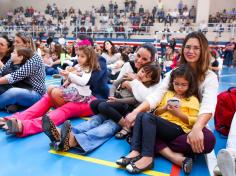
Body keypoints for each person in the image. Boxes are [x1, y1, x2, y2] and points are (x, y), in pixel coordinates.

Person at [124, 31, 218, 173]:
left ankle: (153, 146)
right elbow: (156, 96)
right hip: (168, 123)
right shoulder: (175, 72)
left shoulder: (209, 77)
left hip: (190, 125)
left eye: (196, 48)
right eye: (187, 47)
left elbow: (208, 106)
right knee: (140, 120)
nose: (190, 51)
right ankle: (173, 156)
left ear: (203, 50)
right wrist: (135, 112)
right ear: (182, 48)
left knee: (208, 139)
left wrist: (198, 128)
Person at [0, 37, 105, 137]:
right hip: (72, 94)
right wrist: (67, 76)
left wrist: (71, 74)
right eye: (76, 44)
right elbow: (66, 82)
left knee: (65, 109)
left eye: (79, 44)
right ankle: (14, 118)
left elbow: (89, 81)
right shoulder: (78, 61)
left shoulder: (97, 62)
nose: (76, 46)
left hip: (87, 99)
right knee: (48, 96)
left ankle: (24, 126)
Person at [116, 64, 199, 174]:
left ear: (189, 85)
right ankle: (135, 151)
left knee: (147, 117)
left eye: (183, 85)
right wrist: (165, 108)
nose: (179, 87)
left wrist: (178, 114)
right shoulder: (168, 94)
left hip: (178, 129)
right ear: (172, 83)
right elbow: (157, 112)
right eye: (176, 84)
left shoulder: (192, 99)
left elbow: (194, 121)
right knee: (141, 115)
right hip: (163, 125)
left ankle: (147, 157)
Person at [90, 63, 161, 140]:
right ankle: (108, 116)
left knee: (103, 106)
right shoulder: (129, 75)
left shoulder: (143, 87)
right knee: (93, 103)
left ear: (150, 80)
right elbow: (115, 84)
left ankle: (126, 125)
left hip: (125, 104)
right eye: (142, 71)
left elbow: (134, 100)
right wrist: (111, 96)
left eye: (147, 76)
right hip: (116, 99)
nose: (142, 75)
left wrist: (117, 100)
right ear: (140, 68)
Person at [0, 32, 46, 112]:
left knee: (13, 92)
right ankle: (12, 104)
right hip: (20, 87)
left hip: (35, 93)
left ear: (27, 44)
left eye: (17, 42)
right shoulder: (15, 55)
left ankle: (10, 103)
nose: (14, 44)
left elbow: (15, 76)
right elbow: (3, 71)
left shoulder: (35, 58)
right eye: (14, 41)